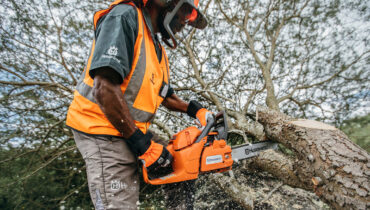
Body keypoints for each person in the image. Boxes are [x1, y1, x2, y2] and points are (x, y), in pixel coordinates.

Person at [66, 0, 211, 209]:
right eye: (185, 12)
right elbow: (104, 87)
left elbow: (166, 95)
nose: (184, 22)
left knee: (182, 169)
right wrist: (142, 145)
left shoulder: (155, 47)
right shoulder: (125, 16)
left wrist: (197, 111)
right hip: (102, 129)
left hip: (131, 128)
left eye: (189, 18)